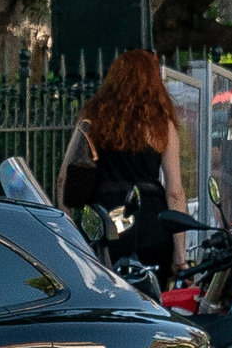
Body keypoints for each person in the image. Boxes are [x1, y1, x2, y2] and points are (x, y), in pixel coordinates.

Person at [58, 49, 188, 275]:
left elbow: (64, 179)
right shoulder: (161, 125)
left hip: (105, 226)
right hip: (152, 227)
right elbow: (175, 193)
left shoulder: (92, 119)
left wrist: (71, 235)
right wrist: (180, 255)